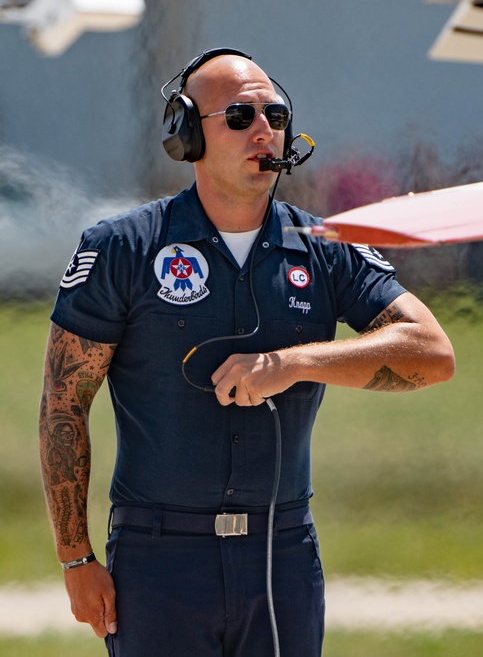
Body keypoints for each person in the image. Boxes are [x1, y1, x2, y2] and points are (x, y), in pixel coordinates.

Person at [38, 47, 455, 657]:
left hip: (281, 554)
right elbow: (63, 405)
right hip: (157, 561)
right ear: (185, 134)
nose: (265, 130)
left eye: (276, 115)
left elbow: (432, 352)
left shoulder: (325, 248)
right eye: (239, 117)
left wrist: (295, 363)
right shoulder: (120, 248)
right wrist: (75, 556)